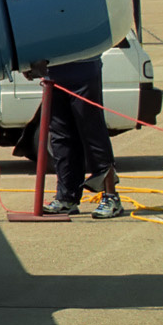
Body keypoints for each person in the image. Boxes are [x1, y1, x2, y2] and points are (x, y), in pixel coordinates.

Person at [29, 57, 122, 218]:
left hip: (83, 71)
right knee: (60, 137)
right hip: (54, 74)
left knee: (92, 131)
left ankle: (111, 197)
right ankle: (66, 198)